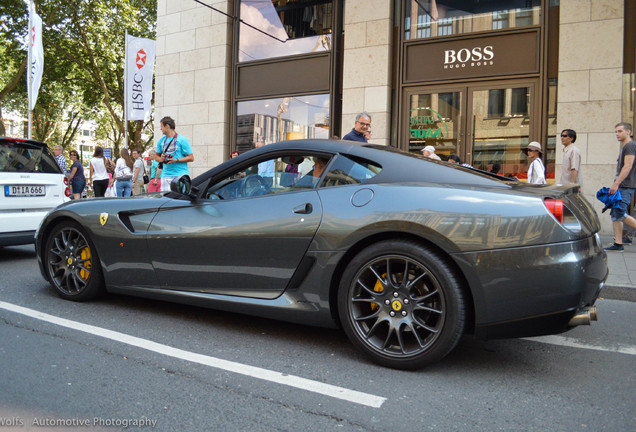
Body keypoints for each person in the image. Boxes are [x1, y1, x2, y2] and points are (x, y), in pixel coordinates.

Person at [604, 122, 636, 251]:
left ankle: (618, 243)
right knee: (615, 214)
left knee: (620, 213)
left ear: (628, 132)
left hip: (625, 186)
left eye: (620, 131)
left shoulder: (630, 146)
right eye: (616, 131)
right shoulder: (626, 146)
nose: (617, 134)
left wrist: (616, 184)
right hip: (623, 185)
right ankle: (618, 243)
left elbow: (627, 166)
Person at [154, 116, 194, 192]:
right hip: (166, 175)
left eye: (161, 126)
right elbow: (156, 157)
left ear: (167, 126)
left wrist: (176, 160)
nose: (160, 129)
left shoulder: (182, 139)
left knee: (180, 200)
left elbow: (191, 158)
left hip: (180, 175)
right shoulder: (161, 140)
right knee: (166, 201)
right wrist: (161, 159)